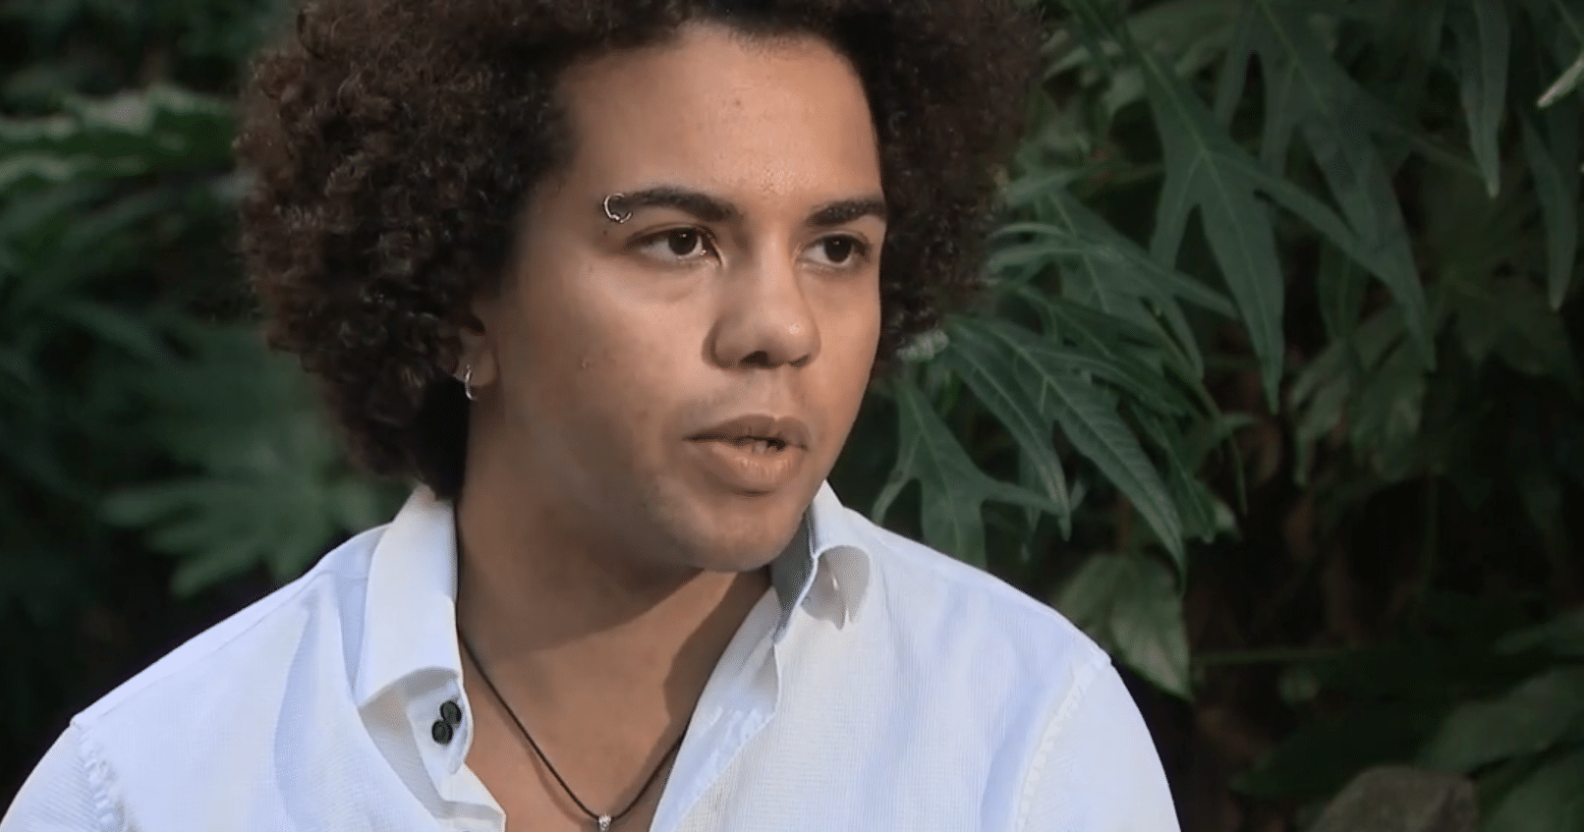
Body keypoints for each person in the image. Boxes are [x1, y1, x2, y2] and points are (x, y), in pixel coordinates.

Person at [3, 1, 1180, 830]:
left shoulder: (1026, 743)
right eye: (679, 240)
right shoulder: (154, 790)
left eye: (836, 248)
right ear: (462, 292)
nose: (782, 327)